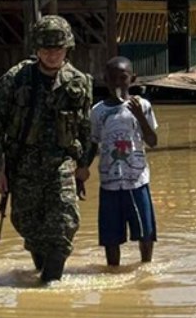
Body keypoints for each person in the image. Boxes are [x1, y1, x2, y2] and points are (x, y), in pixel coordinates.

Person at [0, 15, 93, 283]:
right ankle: (42, 274)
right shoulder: (16, 79)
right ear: (36, 49)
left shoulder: (78, 82)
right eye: (46, 49)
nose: (52, 55)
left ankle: (48, 286)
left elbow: (85, 127)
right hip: (23, 162)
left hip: (61, 162)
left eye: (58, 49)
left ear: (67, 48)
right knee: (28, 225)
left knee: (64, 223)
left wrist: (83, 166)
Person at [79, 56, 159, 267]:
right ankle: (112, 270)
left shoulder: (143, 105)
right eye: (112, 78)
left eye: (122, 78)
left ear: (132, 79)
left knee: (145, 232)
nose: (117, 83)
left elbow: (152, 141)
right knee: (110, 237)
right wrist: (82, 171)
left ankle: (146, 268)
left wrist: (140, 117)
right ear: (104, 80)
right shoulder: (98, 112)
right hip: (109, 182)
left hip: (136, 180)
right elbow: (93, 144)